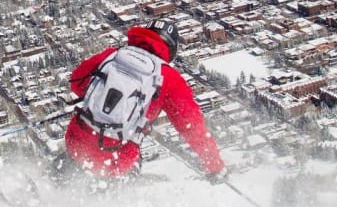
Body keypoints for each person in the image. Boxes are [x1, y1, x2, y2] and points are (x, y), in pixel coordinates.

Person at [62, 18, 225, 179]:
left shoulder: (113, 55)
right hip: (115, 160)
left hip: (76, 141)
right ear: (171, 49)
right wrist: (214, 164)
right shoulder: (168, 77)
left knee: (58, 182)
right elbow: (191, 126)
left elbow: (77, 81)